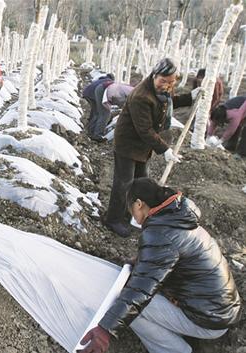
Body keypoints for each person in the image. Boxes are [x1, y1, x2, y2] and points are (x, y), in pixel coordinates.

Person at [79, 177, 241, 353]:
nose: (131, 215)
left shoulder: (161, 234)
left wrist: (105, 329)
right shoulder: (179, 219)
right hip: (221, 310)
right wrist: (143, 262)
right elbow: (172, 260)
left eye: (130, 208)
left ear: (139, 204)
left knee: (131, 311)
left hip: (209, 320)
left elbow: (140, 292)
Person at [104, 58, 201, 238]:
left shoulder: (162, 89)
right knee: (124, 183)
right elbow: (144, 130)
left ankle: (132, 215)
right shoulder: (142, 96)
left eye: (171, 82)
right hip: (128, 143)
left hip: (143, 145)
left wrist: (190, 97)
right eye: (163, 81)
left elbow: (170, 102)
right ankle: (114, 219)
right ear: (154, 76)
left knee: (141, 181)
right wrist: (164, 149)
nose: (167, 85)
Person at [82, 73, 115, 141]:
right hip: (93, 94)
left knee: (96, 112)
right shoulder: (109, 82)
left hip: (87, 93)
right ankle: (97, 134)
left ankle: (90, 130)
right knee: (102, 113)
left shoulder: (101, 80)